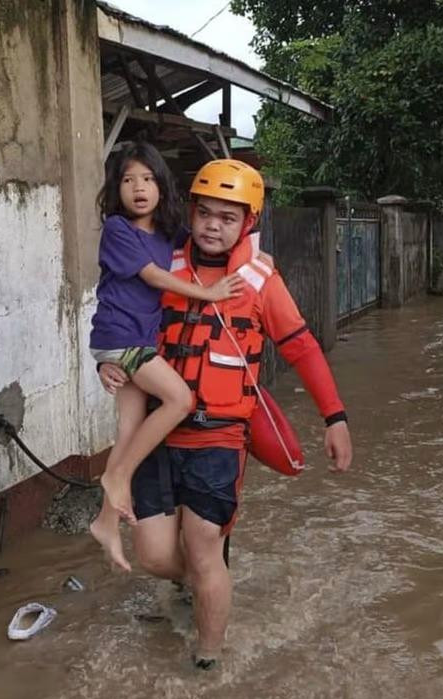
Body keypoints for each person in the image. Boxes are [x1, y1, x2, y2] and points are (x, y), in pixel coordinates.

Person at [98, 159, 353, 668]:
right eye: (205, 213)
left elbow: (301, 348)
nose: (213, 226)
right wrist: (108, 364)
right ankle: (204, 579)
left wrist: (335, 417)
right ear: (189, 214)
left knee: (204, 545)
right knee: (152, 554)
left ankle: (208, 662)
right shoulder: (161, 263)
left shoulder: (261, 280)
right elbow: (119, 320)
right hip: (158, 435)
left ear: (248, 223)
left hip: (218, 439)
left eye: (228, 217)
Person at [88, 142, 244, 572]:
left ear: (161, 186)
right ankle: (117, 479)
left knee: (129, 428)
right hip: (123, 339)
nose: (138, 187)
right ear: (115, 188)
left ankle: (105, 521)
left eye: (147, 178)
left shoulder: (167, 233)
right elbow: (154, 277)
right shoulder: (119, 230)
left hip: (131, 344)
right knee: (179, 400)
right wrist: (210, 293)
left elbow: (209, 237)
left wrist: (255, 253)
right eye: (127, 179)